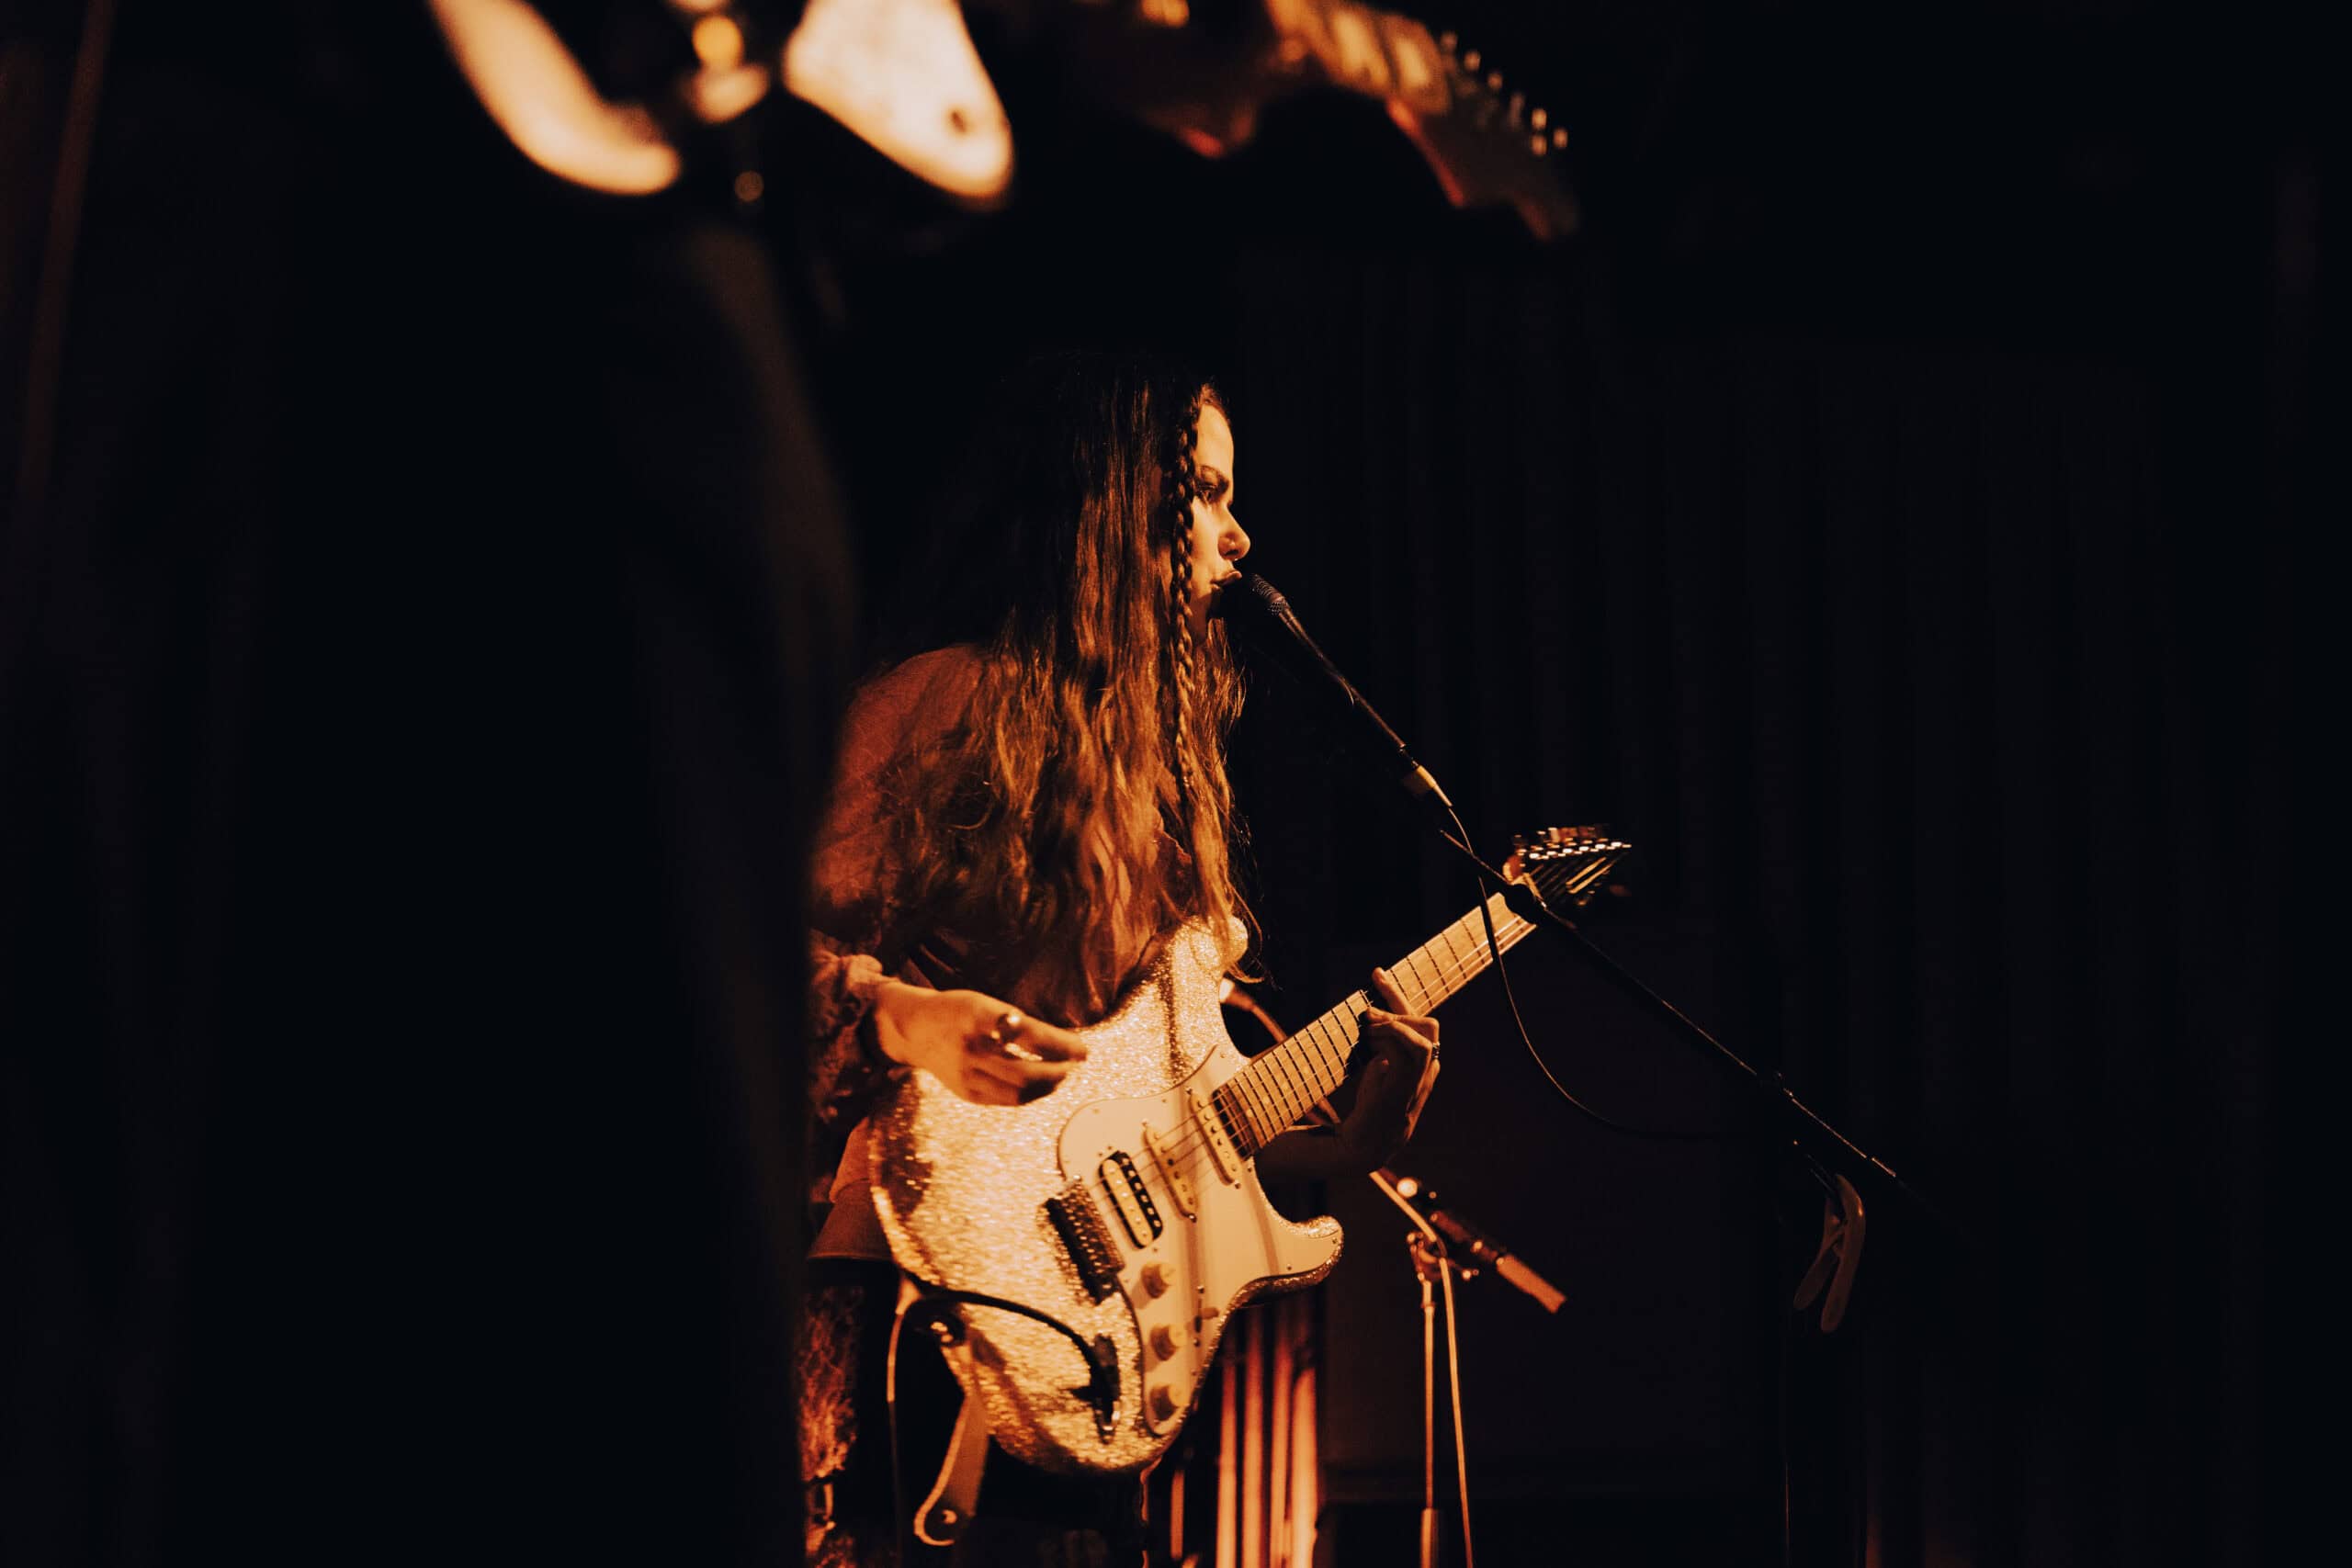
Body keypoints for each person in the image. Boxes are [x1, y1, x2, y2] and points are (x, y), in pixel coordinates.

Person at [797, 354, 1442, 1565]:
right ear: (1110, 508)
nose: (1239, 536)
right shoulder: (948, 704)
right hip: (924, 1300)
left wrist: (1343, 1146)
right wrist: (903, 1015)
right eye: (1206, 491)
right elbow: (762, 968)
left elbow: (1151, 1136)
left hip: (1088, 1356)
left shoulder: (1158, 774)